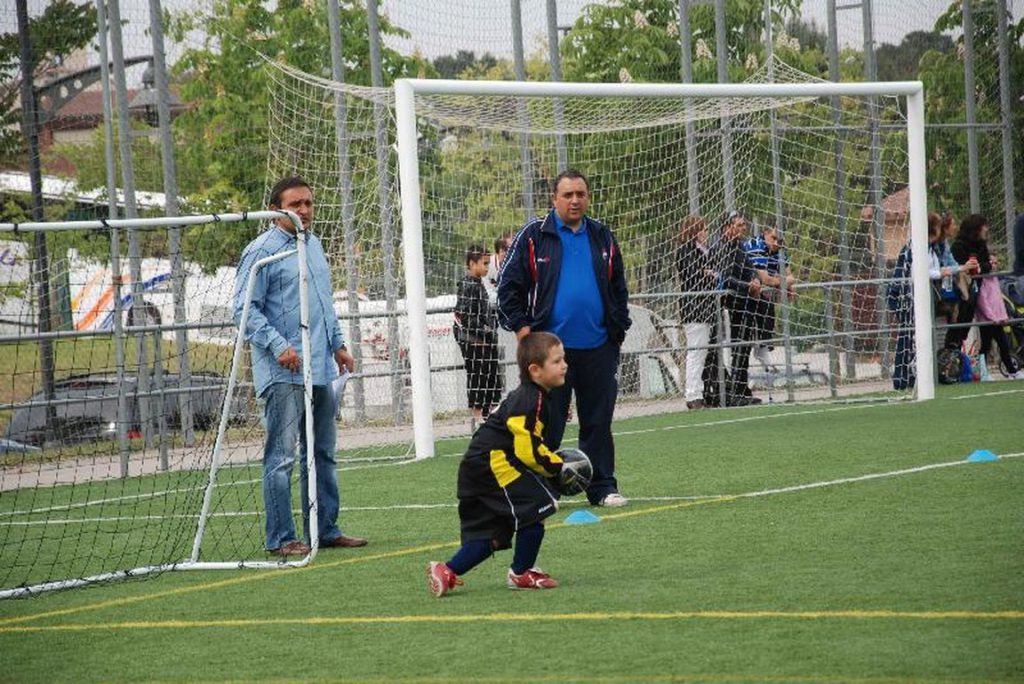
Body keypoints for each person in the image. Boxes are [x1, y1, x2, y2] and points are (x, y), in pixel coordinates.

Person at [233, 175, 367, 557]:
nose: (305, 211)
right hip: (283, 372)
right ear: (277, 209)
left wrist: (338, 344)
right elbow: (242, 309)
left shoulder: (314, 244)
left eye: (309, 203)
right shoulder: (260, 251)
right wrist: (278, 346)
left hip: (321, 367)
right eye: (296, 205)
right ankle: (280, 538)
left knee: (322, 451)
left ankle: (325, 528)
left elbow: (323, 301)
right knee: (282, 456)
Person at [498, 169, 631, 508]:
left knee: (598, 421)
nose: (575, 200)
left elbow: (618, 287)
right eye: (568, 194)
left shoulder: (602, 236)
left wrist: (618, 327)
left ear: (587, 197)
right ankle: (544, 490)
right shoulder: (533, 236)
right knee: (546, 425)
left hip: (599, 348)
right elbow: (507, 287)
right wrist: (524, 332)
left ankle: (602, 487)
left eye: (580, 194)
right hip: (548, 355)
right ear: (554, 199)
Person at [426, 332, 576, 597]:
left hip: (479, 468)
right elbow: (527, 451)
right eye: (556, 361)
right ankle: (521, 573)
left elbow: (527, 443)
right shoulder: (531, 399)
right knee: (538, 506)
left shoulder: (535, 395)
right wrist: (558, 467)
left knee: (495, 533)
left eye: (563, 359)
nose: (564, 365)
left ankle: (447, 570)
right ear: (535, 370)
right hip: (492, 466)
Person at [887, 212, 973, 389]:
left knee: (914, 335)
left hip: (912, 296)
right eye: (939, 226)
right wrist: (942, 272)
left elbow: (937, 267)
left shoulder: (931, 247)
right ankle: (901, 378)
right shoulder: (916, 247)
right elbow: (920, 272)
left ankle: (912, 376)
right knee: (907, 334)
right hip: (902, 295)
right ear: (932, 229)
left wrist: (961, 268)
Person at [947, 214, 1023, 378]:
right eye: (984, 226)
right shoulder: (959, 246)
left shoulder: (980, 245)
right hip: (969, 297)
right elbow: (968, 270)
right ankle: (951, 366)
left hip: (983, 295)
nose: (986, 229)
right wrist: (983, 267)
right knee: (961, 332)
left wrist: (989, 264)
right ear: (975, 229)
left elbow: (984, 267)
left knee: (991, 335)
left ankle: (995, 371)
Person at [706, 210, 762, 406]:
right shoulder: (718, 247)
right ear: (726, 228)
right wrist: (747, 286)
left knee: (743, 344)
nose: (743, 228)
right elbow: (725, 278)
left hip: (741, 302)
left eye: (743, 224)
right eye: (739, 225)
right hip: (721, 304)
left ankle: (740, 388)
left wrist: (755, 279)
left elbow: (750, 267)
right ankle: (721, 390)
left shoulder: (740, 246)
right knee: (718, 346)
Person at [454, 244, 501, 424]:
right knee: (477, 375)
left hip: (482, 338)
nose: (487, 268)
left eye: (489, 264)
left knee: (491, 374)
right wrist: (483, 331)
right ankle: (478, 415)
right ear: (472, 264)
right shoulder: (467, 285)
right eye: (484, 263)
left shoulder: (478, 283)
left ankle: (490, 412)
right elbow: (464, 316)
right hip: (472, 339)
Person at [676, 215, 717, 410]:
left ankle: (697, 392)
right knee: (696, 351)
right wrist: (708, 274)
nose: (706, 233)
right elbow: (694, 277)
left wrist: (709, 273)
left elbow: (707, 274)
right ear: (695, 231)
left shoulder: (703, 251)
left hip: (704, 308)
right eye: (703, 229)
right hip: (694, 308)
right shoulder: (686, 251)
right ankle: (693, 395)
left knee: (700, 352)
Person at [744, 226, 797, 372]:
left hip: (759, 291)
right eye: (773, 238)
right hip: (744, 288)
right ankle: (758, 350)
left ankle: (763, 348)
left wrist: (788, 287)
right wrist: (785, 283)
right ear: (765, 234)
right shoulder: (756, 245)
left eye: (779, 240)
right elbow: (765, 279)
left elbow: (790, 276)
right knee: (758, 310)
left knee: (768, 307)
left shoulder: (780, 250)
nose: (776, 243)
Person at [483, 234, 512, 306]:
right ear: (498, 252)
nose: (508, 253)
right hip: (491, 308)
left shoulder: (518, 266)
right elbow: (487, 294)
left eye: (511, 249)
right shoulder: (487, 265)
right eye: (505, 250)